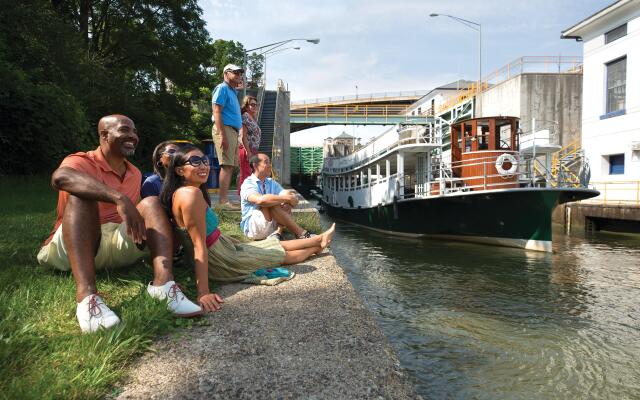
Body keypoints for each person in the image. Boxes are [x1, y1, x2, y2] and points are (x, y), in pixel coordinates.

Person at [37, 115, 202, 334]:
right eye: (125, 130)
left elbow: (150, 213)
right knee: (81, 196)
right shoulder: (82, 161)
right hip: (74, 246)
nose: (133, 136)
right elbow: (60, 177)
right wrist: (118, 197)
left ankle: (164, 286)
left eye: (134, 132)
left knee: (151, 202)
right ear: (104, 135)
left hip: (115, 241)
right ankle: (87, 299)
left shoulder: (134, 173)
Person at [159, 144, 335, 312]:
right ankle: (317, 245)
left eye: (204, 160)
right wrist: (203, 292)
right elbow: (198, 245)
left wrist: (228, 241)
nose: (203, 165)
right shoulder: (191, 194)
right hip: (219, 259)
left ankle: (318, 240)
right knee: (278, 255)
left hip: (221, 246)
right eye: (195, 161)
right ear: (180, 170)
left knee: (267, 246)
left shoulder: (187, 191)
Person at [240, 153, 314, 241]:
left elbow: (292, 199)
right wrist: (287, 198)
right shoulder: (248, 183)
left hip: (271, 224)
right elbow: (260, 201)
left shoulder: (271, 182)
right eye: (266, 162)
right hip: (253, 228)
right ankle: (300, 233)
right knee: (270, 202)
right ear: (255, 166)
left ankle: (278, 233)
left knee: (284, 203)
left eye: (270, 162)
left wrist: (289, 199)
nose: (270, 165)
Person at [211, 63, 244, 208]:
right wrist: (222, 135)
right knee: (226, 165)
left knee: (230, 165)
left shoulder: (232, 91)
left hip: (232, 130)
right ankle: (223, 201)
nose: (239, 75)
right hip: (225, 129)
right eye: (235, 73)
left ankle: (225, 200)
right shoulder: (222, 88)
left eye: (240, 73)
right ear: (226, 73)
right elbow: (216, 111)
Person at [237, 95, 261, 194]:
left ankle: (249, 193)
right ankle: (244, 195)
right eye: (252, 105)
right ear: (246, 106)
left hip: (253, 149)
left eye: (256, 105)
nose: (254, 107)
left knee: (252, 173)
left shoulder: (253, 118)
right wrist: (248, 151)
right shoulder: (245, 116)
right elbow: (243, 135)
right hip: (246, 148)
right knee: (245, 172)